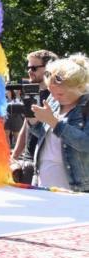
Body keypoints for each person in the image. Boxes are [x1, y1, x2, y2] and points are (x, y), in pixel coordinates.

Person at [29, 54, 89, 192]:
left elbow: (86, 143)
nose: (54, 97)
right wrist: (33, 122)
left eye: (60, 94)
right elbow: (44, 136)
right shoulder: (55, 99)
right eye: (51, 92)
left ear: (79, 87)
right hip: (43, 184)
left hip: (76, 190)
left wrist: (54, 122)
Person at [11, 50, 58, 184]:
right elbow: (26, 126)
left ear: (48, 67)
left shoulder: (57, 95)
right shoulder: (32, 92)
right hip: (29, 160)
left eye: (34, 68)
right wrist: (14, 156)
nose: (29, 71)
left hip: (47, 163)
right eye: (28, 67)